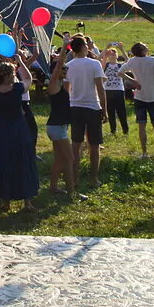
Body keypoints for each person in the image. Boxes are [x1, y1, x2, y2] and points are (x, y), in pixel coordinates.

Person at [0, 59, 39, 213]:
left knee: (3, 162)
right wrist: (21, 61)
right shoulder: (16, 88)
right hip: (17, 128)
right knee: (22, 161)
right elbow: (28, 79)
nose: (14, 75)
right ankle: (27, 201)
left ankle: (5, 201)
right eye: (12, 72)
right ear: (7, 75)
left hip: (1, 129)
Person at [65, 36, 106, 191]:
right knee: (94, 145)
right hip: (92, 107)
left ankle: (74, 179)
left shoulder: (68, 65)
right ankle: (93, 179)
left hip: (74, 106)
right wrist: (105, 109)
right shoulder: (94, 64)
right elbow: (100, 90)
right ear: (83, 47)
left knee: (75, 145)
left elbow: (66, 90)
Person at [122, 42, 154, 158]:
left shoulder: (133, 61)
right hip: (153, 97)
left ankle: (144, 152)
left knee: (142, 126)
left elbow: (120, 72)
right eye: (145, 46)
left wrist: (133, 81)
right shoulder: (153, 61)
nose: (148, 47)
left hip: (139, 97)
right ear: (142, 51)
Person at [45, 49, 75, 197]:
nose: (64, 71)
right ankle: (71, 191)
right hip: (56, 127)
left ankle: (53, 187)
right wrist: (64, 48)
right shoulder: (53, 86)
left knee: (59, 159)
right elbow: (58, 67)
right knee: (70, 159)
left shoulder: (62, 86)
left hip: (59, 126)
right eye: (63, 69)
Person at [101, 47, 128, 137]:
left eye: (114, 53)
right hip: (108, 91)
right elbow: (102, 65)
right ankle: (113, 130)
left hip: (119, 90)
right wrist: (105, 54)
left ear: (117, 55)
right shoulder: (106, 65)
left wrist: (122, 49)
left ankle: (125, 130)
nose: (113, 55)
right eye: (111, 53)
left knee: (122, 112)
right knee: (110, 111)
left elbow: (128, 62)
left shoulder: (120, 65)